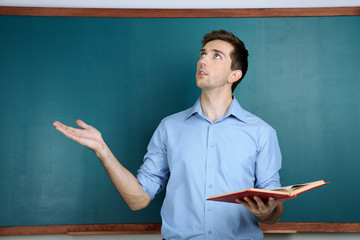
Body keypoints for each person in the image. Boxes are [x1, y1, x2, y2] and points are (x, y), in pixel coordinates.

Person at [53, 29, 285, 239]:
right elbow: (139, 199)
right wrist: (103, 151)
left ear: (234, 75)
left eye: (216, 56)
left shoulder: (261, 132)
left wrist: (268, 212)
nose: (203, 59)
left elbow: (274, 209)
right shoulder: (169, 127)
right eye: (202, 53)